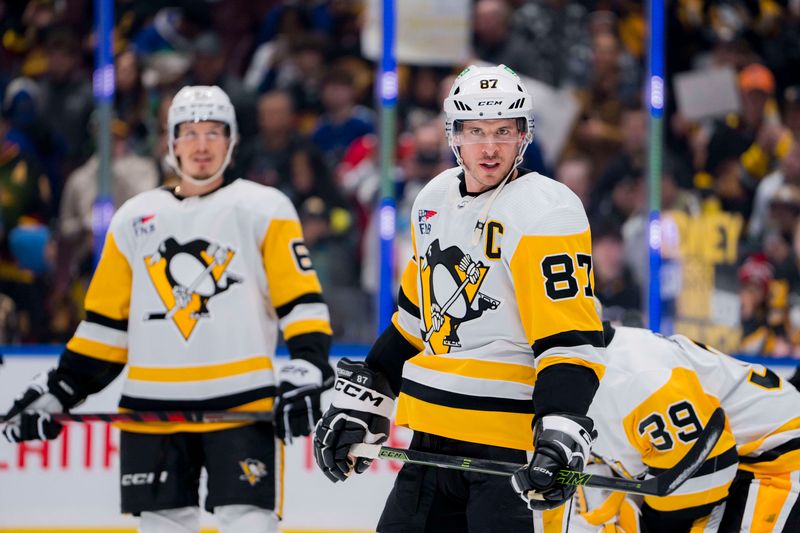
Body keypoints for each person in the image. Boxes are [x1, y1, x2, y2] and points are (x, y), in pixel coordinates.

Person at [1, 86, 333, 533]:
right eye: (189, 132)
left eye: (214, 133)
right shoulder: (133, 218)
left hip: (241, 406)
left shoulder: (264, 207)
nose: (201, 145)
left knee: (250, 525)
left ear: (231, 141)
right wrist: (59, 389)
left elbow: (300, 302)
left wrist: (308, 366)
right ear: (170, 141)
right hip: (152, 412)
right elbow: (105, 328)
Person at [314, 64, 606, 532]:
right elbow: (414, 320)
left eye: (503, 131)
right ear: (454, 134)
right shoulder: (432, 199)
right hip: (430, 444)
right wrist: (364, 403)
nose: (489, 147)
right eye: (475, 131)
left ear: (523, 135)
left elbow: (569, 339)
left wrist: (562, 427)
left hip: (509, 457)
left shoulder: (548, 210)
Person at [562, 320, 800, 532]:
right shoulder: (580, 372)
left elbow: (706, 473)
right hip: (738, 466)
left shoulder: (638, 379)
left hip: (779, 461)